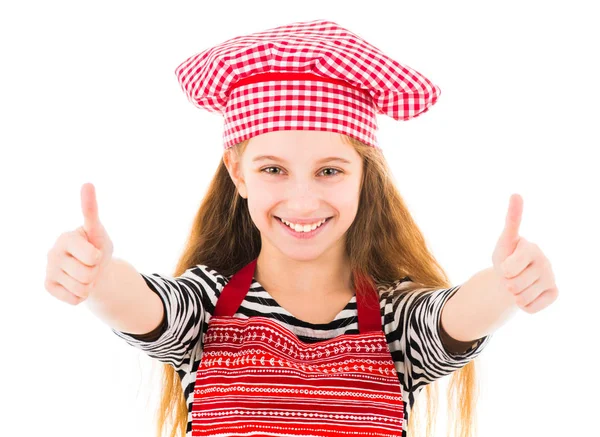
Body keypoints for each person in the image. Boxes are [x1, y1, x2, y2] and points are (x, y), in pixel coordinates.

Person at [46, 19, 493, 437]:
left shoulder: (399, 322)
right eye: (273, 169)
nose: (301, 201)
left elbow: (456, 317)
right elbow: (145, 306)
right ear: (238, 174)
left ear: (364, 177)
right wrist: (98, 278)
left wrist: (506, 286)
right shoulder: (205, 307)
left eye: (330, 171)